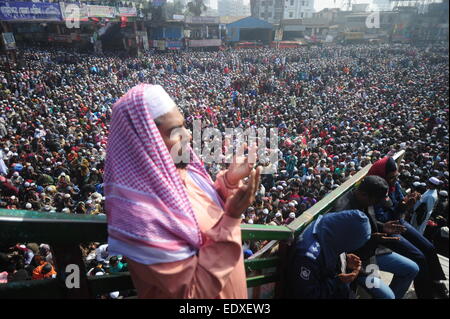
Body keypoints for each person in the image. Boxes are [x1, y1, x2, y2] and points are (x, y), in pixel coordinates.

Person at [104, 84, 261, 299]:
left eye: (184, 126)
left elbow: (202, 209)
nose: (188, 135)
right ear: (146, 142)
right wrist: (232, 218)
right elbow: (192, 296)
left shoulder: (184, 171)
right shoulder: (143, 217)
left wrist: (229, 182)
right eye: (174, 132)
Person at [368, 156, 448, 299]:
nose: (395, 180)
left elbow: (400, 199)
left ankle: (436, 281)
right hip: (387, 229)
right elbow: (382, 220)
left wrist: (407, 203)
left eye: (396, 176)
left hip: (399, 221)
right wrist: (402, 206)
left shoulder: (393, 185)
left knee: (429, 247)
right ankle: (425, 293)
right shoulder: (375, 189)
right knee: (419, 257)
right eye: (391, 177)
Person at [332, 176, 419, 299]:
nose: (377, 204)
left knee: (412, 268)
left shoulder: (365, 198)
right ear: (364, 194)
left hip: (373, 252)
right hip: (360, 263)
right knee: (388, 296)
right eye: (376, 201)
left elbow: (369, 222)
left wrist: (383, 227)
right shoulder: (343, 211)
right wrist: (371, 240)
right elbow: (344, 250)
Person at [285, 210, 371, 299]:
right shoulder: (308, 257)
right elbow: (307, 295)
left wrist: (344, 258)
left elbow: (330, 247)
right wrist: (338, 281)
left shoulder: (327, 226)